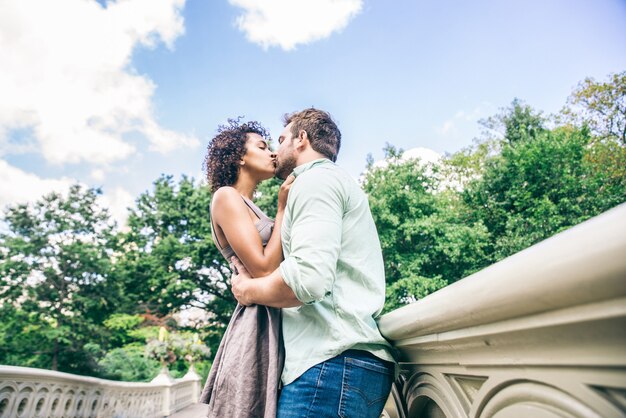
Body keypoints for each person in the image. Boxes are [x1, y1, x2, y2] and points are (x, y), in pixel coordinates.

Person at [230, 108, 397, 418]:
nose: (276, 151)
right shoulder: (331, 182)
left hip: (329, 367)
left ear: (301, 139)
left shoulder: (315, 181)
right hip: (345, 367)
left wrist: (247, 290)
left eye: (280, 140)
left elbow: (308, 279)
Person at [199, 119, 293, 418]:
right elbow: (264, 269)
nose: (273, 154)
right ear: (240, 157)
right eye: (263, 147)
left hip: (271, 315)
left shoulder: (249, 205)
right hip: (256, 325)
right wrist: (282, 210)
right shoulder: (226, 196)